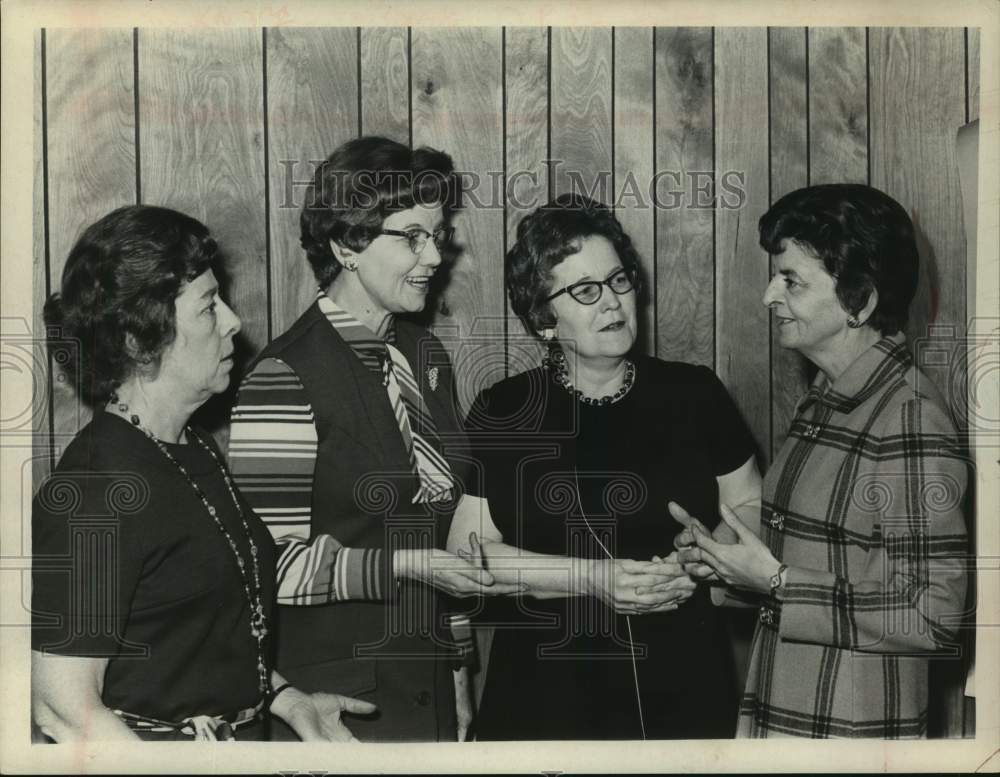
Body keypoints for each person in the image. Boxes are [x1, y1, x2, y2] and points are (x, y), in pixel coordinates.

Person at [31, 205, 374, 741]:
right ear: (139, 340)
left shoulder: (190, 446)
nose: (235, 321)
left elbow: (197, 624)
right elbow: (60, 706)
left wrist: (287, 700)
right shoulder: (96, 490)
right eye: (209, 307)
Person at [227, 136, 520, 742]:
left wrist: (459, 676)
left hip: (430, 687)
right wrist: (406, 567)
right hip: (337, 707)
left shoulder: (424, 355)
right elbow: (266, 566)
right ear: (346, 245)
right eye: (410, 236)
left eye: (437, 236)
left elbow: (447, 543)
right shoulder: (284, 375)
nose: (434, 256)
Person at [449, 193, 763, 739]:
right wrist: (594, 579)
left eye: (619, 281)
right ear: (543, 316)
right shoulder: (504, 410)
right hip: (545, 693)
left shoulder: (695, 393)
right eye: (586, 291)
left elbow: (750, 505)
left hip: (684, 679)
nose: (613, 303)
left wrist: (713, 555)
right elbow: (467, 554)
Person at [674, 183, 969, 738]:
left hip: (849, 730)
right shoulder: (828, 398)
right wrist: (726, 565)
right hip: (789, 711)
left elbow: (935, 615)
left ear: (860, 300)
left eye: (791, 280)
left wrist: (780, 582)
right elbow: (824, 563)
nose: (768, 296)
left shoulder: (910, 418)